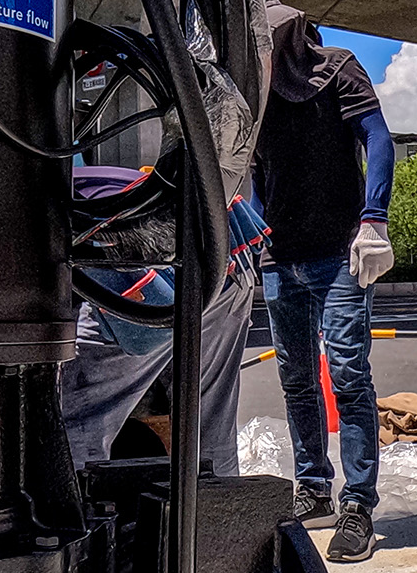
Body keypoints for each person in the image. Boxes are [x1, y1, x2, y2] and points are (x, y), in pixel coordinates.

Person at [252, 4, 395, 563]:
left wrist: (375, 217)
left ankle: (358, 504)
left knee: (348, 375)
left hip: (339, 252)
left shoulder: (338, 69)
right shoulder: (257, 91)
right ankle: (312, 489)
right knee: (295, 379)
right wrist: (255, 232)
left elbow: (377, 139)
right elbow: (254, 170)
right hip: (279, 257)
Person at [63, 187, 267, 476]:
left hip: (139, 266)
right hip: (221, 245)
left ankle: (74, 515)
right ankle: (213, 511)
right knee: (208, 428)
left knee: (71, 420)